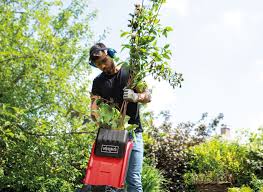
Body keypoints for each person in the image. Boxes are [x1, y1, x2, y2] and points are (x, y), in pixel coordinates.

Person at [89, 43, 151, 192]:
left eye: (104, 61)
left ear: (110, 54)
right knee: (109, 181)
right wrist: (98, 118)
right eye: (98, 65)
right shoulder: (98, 82)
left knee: (134, 179)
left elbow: (147, 96)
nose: (102, 66)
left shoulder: (130, 72)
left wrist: (135, 96)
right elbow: (94, 110)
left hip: (133, 133)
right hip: (111, 135)